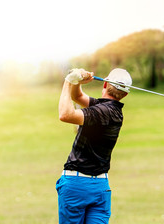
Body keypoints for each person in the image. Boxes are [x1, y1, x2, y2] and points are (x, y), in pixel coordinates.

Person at [56, 68, 132, 224]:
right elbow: (77, 96)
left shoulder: (102, 112)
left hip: (76, 185)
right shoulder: (112, 110)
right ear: (125, 94)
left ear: (105, 84)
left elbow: (65, 114)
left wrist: (68, 81)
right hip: (100, 187)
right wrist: (77, 83)